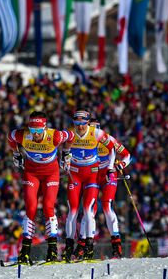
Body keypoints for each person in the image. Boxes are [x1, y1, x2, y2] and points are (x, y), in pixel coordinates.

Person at [7, 111, 74, 264]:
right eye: (32, 130)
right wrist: (16, 153)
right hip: (31, 173)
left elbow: (71, 136)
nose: (35, 134)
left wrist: (66, 153)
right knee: (31, 208)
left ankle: (52, 250)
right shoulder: (22, 135)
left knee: (48, 207)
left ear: (44, 128)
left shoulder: (54, 136)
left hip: (51, 173)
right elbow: (10, 137)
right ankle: (25, 251)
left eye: (38, 131)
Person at [63, 110, 130, 262]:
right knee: (89, 210)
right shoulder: (79, 137)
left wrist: (117, 166)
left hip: (105, 174)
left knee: (106, 206)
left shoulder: (103, 137)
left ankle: (116, 247)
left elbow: (124, 154)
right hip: (89, 174)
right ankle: (82, 245)